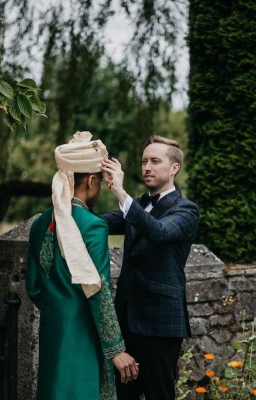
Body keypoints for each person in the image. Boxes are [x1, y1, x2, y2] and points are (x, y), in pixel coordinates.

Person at [25, 131, 139, 400]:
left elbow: (33, 287)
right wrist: (115, 348)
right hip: (84, 334)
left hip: (53, 331)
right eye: (99, 181)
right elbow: (98, 289)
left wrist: (59, 307)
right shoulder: (93, 225)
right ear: (91, 180)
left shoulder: (41, 223)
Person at [100, 135, 199, 400]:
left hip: (161, 322)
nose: (147, 167)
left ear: (174, 167)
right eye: (144, 161)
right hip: (127, 320)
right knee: (123, 395)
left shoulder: (186, 210)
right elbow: (101, 224)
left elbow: (158, 232)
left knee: (159, 395)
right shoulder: (140, 205)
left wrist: (121, 193)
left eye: (155, 161)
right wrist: (71, 200)